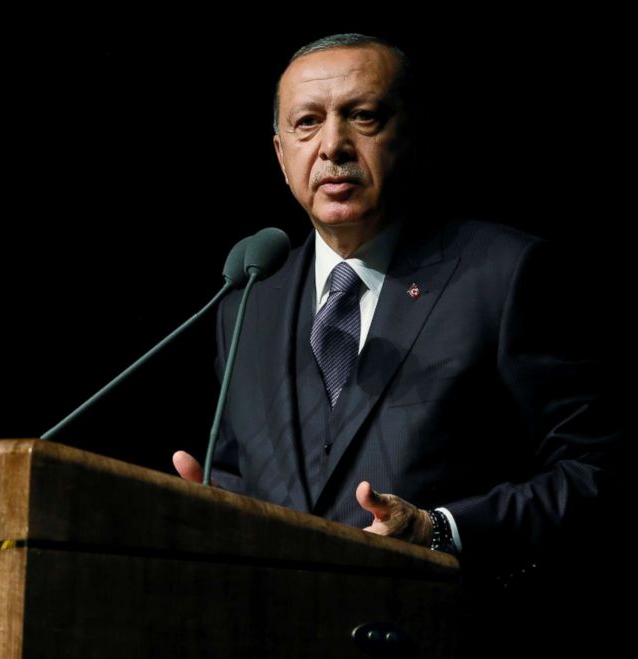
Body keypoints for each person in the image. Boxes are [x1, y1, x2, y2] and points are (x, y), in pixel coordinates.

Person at [172, 33, 622, 652]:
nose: (333, 146)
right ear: (281, 155)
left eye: (363, 117)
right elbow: (237, 484)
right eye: (308, 123)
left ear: (413, 134)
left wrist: (442, 530)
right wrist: (205, 510)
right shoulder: (249, 300)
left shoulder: (503, 274)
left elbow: (596, 476)